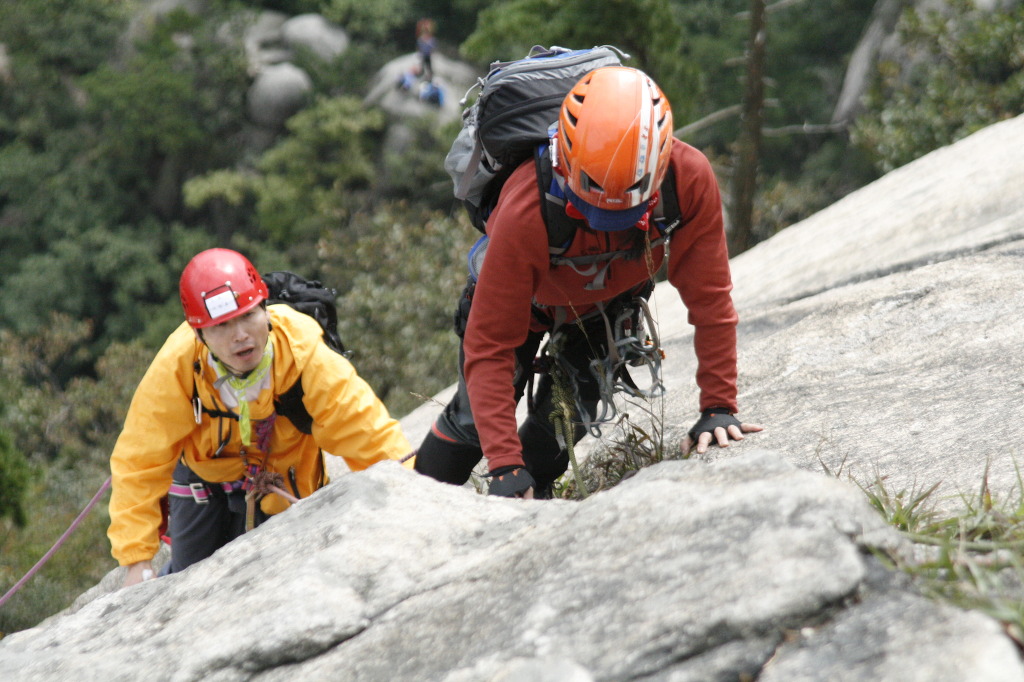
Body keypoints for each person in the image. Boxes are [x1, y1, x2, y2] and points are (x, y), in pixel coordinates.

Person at [414, 66, 762, 498]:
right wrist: (504, 464)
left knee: (562, 422)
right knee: (471, 426)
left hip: (604, 310)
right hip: (524, 307)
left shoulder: (687, 178)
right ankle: (411, 506)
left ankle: (534, 495)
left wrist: (718, 406)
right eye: (590, 206)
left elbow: (710, 300)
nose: (607, 224)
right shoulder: (528, 205)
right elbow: (490, 347)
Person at [108, 248, 412, 586]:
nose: (240, 335)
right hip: (203, 476)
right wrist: (137, 559)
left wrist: (411, 494)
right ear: (199, 335)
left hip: (281, 477)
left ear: (266, 311)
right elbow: (140, 460)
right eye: (221, 325)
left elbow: (367, 432)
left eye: (248, 316)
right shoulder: (178, 366)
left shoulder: (302, 354)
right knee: (187, 579)